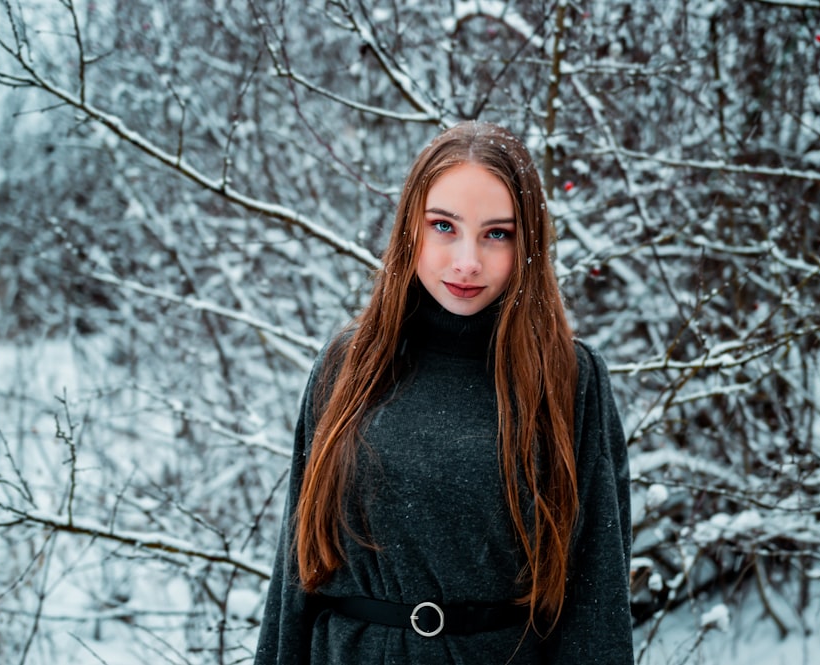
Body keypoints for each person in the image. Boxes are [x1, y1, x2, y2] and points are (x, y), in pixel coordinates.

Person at [254, 121, 633, 664]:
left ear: (528, 243)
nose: (467, 262)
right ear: (411, 227)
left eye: (497, 233)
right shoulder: (346, 367)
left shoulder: (567, 377)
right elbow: (294, 581)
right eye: (443, 226)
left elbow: (597, 603)